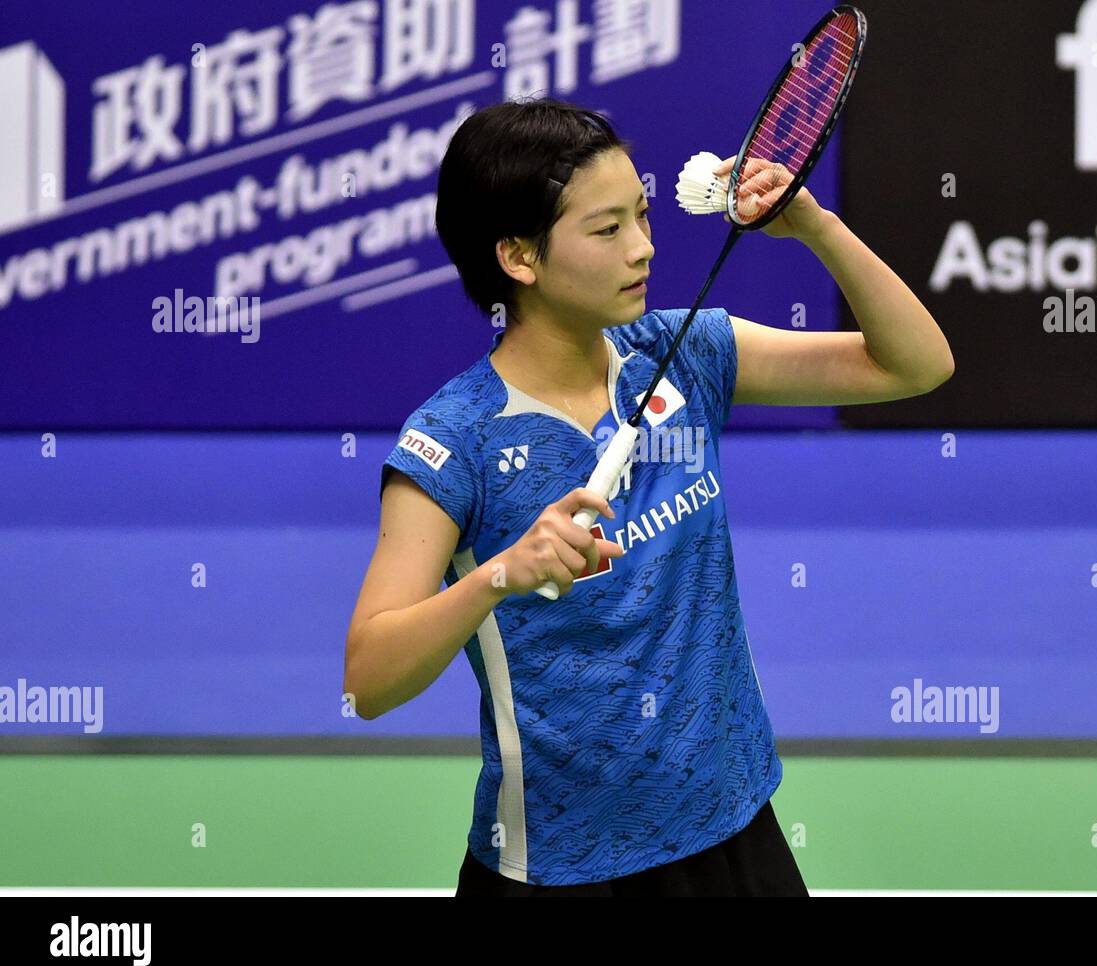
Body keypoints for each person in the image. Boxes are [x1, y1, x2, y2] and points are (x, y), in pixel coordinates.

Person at [344, 97, 953, 896]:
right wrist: (497, 575)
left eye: (643, 215)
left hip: (734, 830)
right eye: (607, 230)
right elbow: (368, 678)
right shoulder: (455, 440)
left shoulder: (683, 352)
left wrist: (815, 227)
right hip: (564, 867)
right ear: (519, 257)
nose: (643, 248)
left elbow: (915, 364)